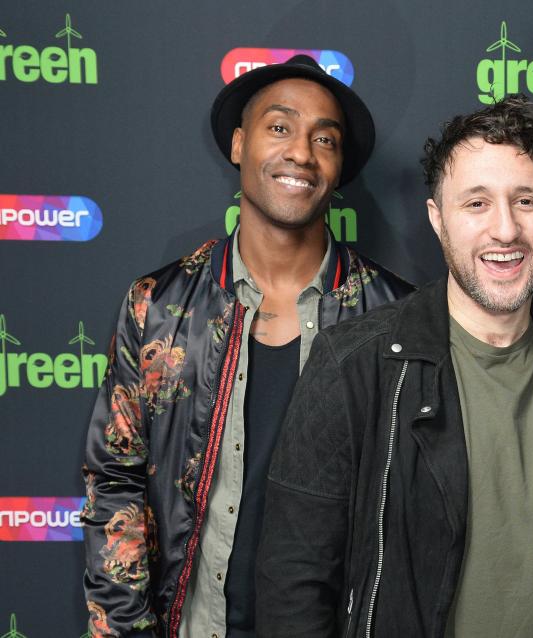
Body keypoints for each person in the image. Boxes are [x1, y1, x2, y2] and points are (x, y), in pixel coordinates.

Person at [255, 95, 533, 637]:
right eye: (476, 203)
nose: (504, 230)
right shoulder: (354, 364)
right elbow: (292, 583)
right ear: (438, 218)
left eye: (526, 201)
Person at [80, 55, 413, 638]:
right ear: (239, 144)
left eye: (325, 139)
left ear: (339, 167)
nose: (301, 153)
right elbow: (114, 484)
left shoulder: (395, 319)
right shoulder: (157, 307)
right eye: (279, 127)